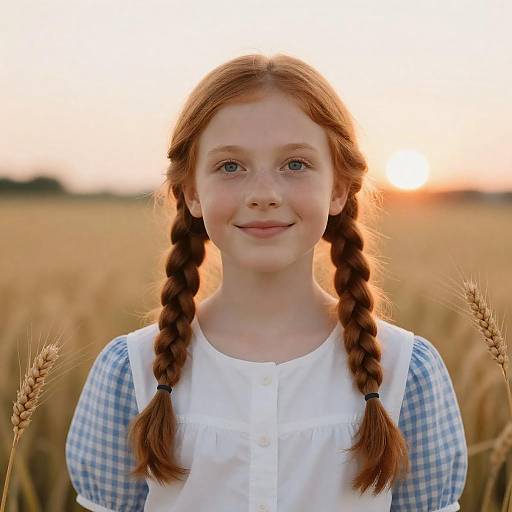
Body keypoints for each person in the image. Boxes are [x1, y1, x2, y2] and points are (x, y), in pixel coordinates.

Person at [65, 53, 468, 511]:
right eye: (230, 166)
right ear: (192, 192)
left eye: (295, 164)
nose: (263, 195)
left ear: (338, 189)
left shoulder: (406, 371)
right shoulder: (130, 372)